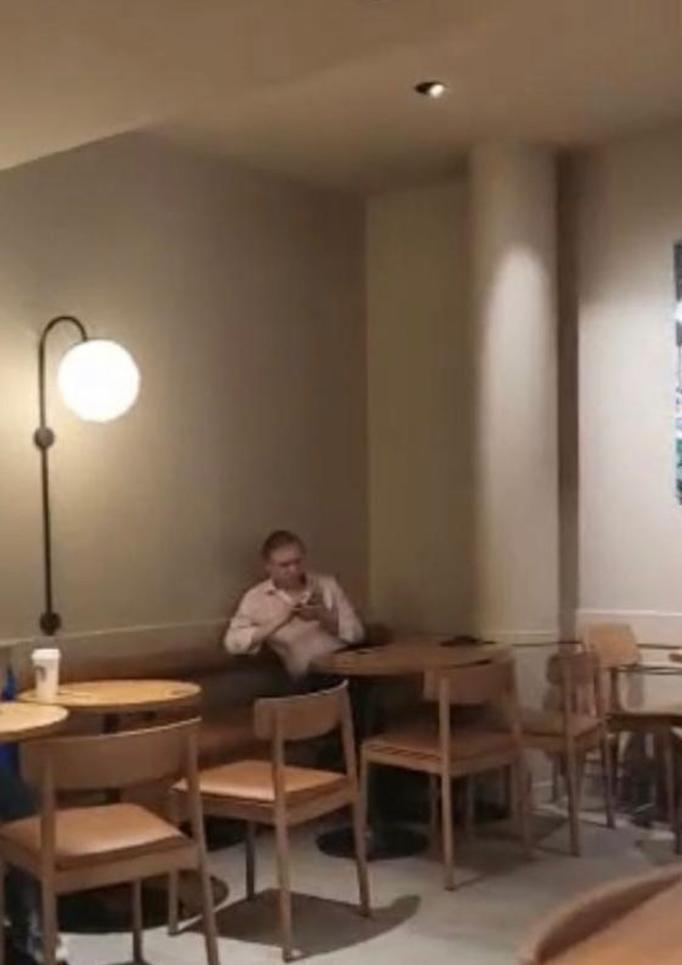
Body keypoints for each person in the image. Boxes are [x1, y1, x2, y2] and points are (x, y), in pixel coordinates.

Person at [224, 530, 364, 680]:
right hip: (307, 675)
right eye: (284, 565)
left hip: (346, 663)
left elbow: (358, 634)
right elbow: (232, 644)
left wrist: (323, 616)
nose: (294, 570)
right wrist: (279, 621)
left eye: (298, 562)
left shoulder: (327, 585)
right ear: (268, 566)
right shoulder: (256, 597)